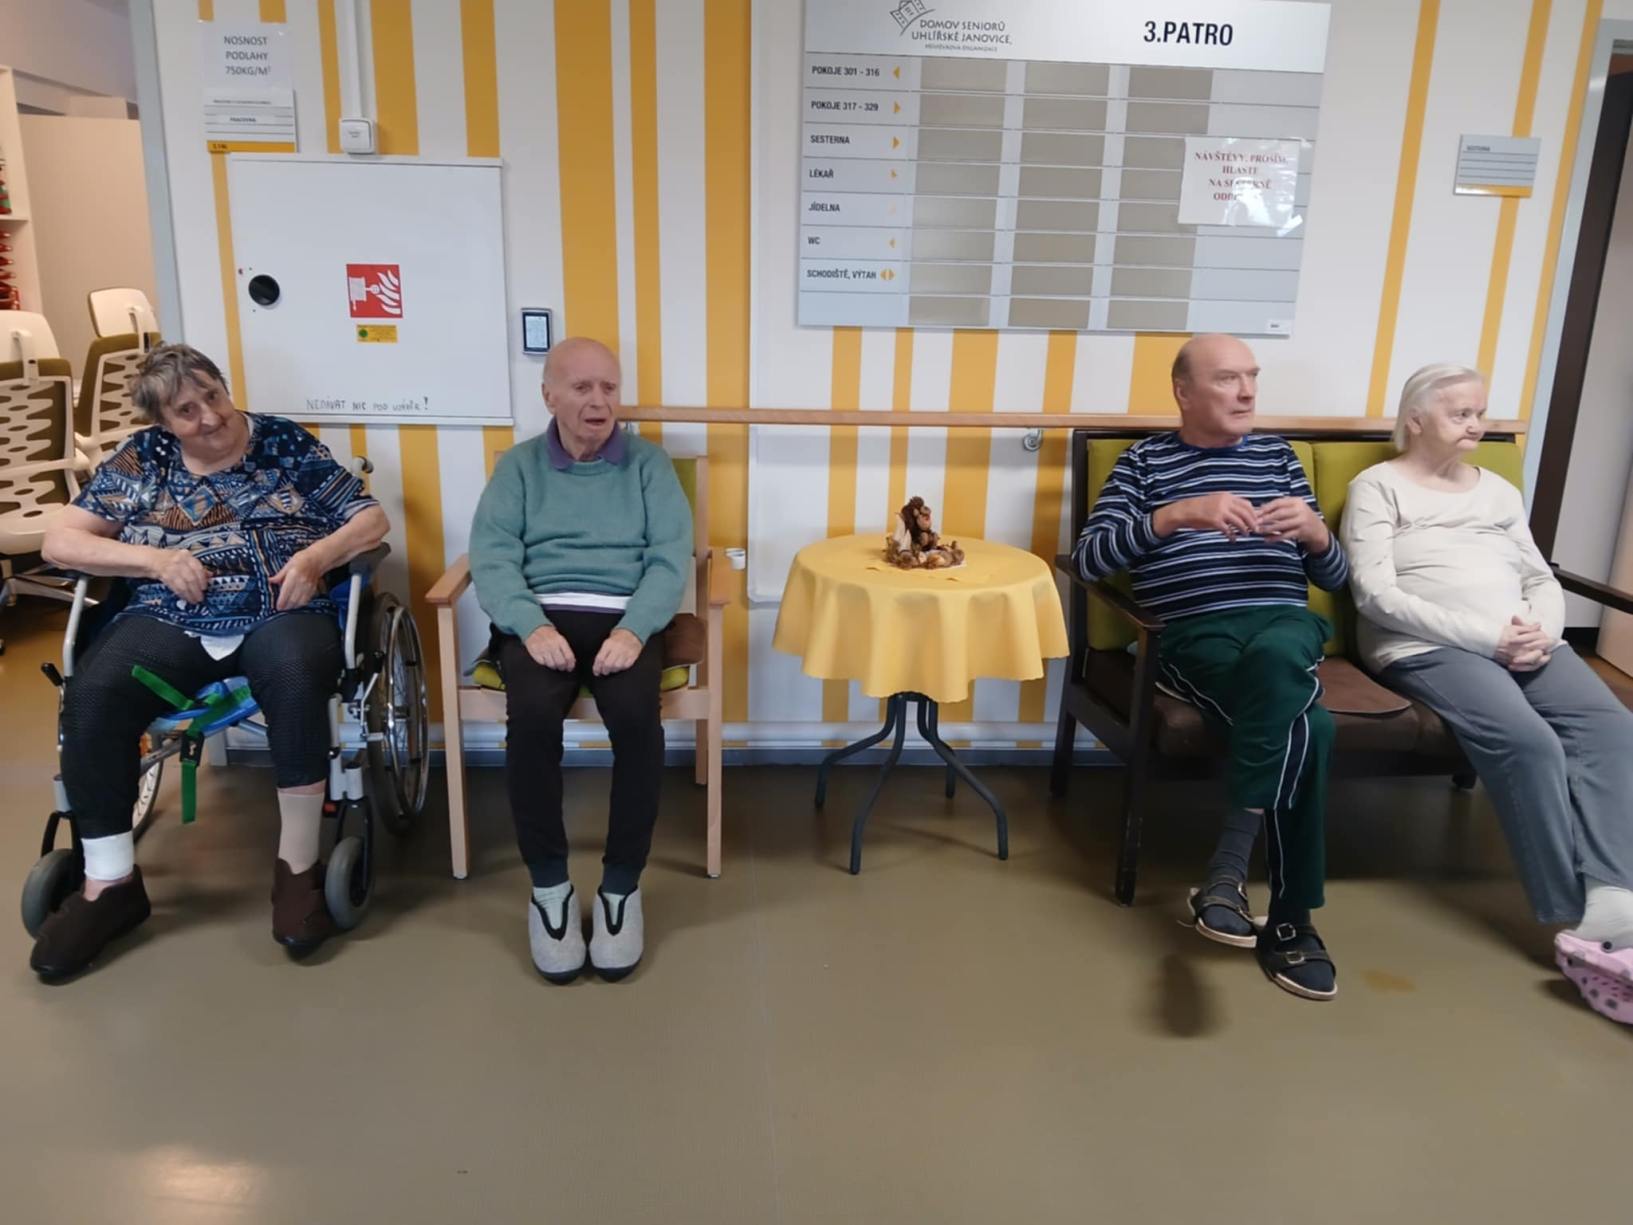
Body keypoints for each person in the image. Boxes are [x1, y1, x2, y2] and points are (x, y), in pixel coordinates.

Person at [31, 344, 390, 979]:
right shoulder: (143, 459)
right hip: (171, 618)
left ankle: (297, 869)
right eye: (186, 411)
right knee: (92, 695)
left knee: (295, 676)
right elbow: (60, 540)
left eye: (213, 396)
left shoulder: (281, 442)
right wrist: (155, 561)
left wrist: (315, 559)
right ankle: (110, 885)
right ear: (163, 423)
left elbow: (370, 518)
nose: (210, 417)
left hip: (282, 608)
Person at [1342, 363, 1633, 1025]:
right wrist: (1487, 638)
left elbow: (1540, 577)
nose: (1476, 424)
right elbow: (1376, 595)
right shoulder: (1377, 487)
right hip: (1422, 645)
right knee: (1528, 742)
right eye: (1460, 413)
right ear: (1415, 418)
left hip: (1521, 640)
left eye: (1479, 412)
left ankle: (1614, 899)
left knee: (1614, 729)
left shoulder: (1497, 491)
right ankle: (1578, 914)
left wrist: (1541, 633)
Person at [1073, 334, 1349, 1000]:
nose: (1247, 391)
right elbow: (1087, 560)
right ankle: (1291, 923)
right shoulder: (1144, 464)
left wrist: (1317, 535)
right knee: (1309, 727)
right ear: (1183, 391)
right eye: (1227, 378)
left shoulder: (1278, 459)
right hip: (1197, 636)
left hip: (1284, 626)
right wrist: (1172, 516)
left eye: (1252, 376)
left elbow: (1337, 578)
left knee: (1280, 655)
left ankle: (1230, 875)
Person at [470, 337, 691, 984]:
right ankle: (550, 889)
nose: (599, 401)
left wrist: (636, 629)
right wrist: (530, 624)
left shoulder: (650, 465)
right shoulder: (519, 467)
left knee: (637, 718)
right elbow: (491, 557)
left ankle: (621, 887)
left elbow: (669, 560)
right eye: (582, 387)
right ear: (549, 396)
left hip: (626, 618)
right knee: (533, 718)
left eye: (609, 388)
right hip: (542, 619)